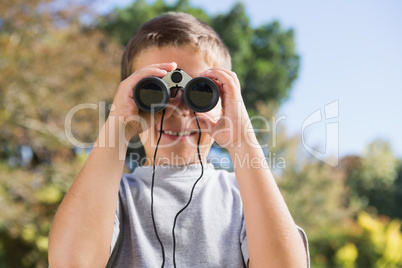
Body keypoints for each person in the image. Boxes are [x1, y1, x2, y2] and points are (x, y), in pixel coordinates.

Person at [48, 12, 310, 268]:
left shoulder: (247, 196)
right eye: (154, 91)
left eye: (200, 91)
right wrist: (117, 129)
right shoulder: (107, 196)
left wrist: (243, 141)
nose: (179, 109)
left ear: (223, 103)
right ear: (130, 98)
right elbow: (70, 262)